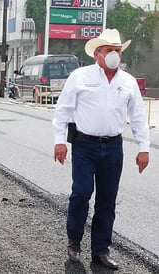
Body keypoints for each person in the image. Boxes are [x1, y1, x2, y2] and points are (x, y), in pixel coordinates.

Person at [52, 29, 150, 270]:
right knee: (81, 193)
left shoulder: (127, 81)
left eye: (117, 51)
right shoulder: (80, 76)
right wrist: (59, 141)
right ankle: (74, 241)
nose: (114, 55)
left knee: (107, 200)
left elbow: (137, 117)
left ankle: (101, 251)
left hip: (113, 147)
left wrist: (143, 148)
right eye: (109, 51)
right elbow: (63, 110)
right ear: (97, 54)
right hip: (85, 145)